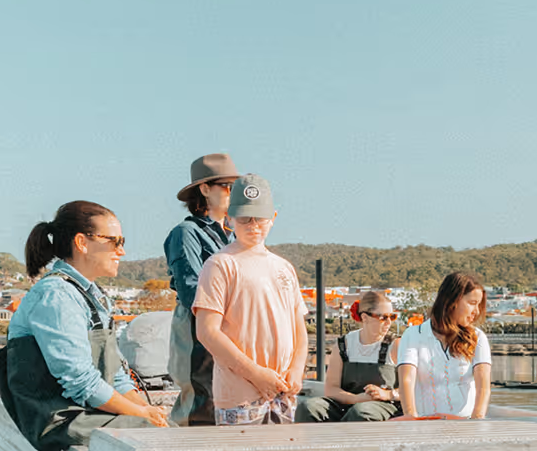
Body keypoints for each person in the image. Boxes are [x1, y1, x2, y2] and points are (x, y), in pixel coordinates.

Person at [0, 200, 168, 451]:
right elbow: (80, 381)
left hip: (88, 410)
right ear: (82, 243)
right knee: (152, 438)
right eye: (114, 241)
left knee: (167, 429)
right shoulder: (56, 295)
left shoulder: (93, 296)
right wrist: (142, 413)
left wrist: (148, 410)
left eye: (123, 241)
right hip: (60, 419)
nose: (122, 251)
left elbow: (116, 375)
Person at [192, 174, 309, 425]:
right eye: (245, 218)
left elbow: (300, 331)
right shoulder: (220, 265)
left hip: (283, 395)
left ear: (273, 218)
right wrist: (255, 374)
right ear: (230, 219)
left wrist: (297, 371)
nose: (253, 224)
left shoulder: (285, 267)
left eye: (260, 217)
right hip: (240, 398)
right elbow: (207, 331)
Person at [162, 154, 237, 425]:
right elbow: (191, 290)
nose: (233, 193)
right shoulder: (186, 233)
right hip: (197, 332)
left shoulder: (234, 235)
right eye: (227, 186)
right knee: (199, 403)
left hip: (227, 330)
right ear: (204, 189)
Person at [396, 271, 492, 419]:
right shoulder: (413, 335)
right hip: (424, 422)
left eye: (479, 305)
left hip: (464, 424)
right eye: (472, 303)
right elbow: (406, 380)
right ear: (451, 301)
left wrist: (476, 421)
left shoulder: (478, 338)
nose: (477, 311)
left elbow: (483, 386)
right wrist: (411, 418)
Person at [299, 289, 402, 422]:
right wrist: (356, 399)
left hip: (384, 406)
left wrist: (387, 394)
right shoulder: (344, 345)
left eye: (392, 317)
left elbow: (414, 387)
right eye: (383, 317)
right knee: (308, 407)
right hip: (348, 404)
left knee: (362, 412)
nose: (389, 322)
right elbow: (331, 389)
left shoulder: (396, 345)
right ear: (365, 317)